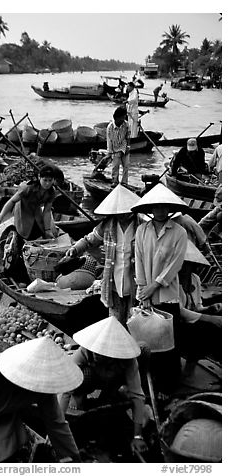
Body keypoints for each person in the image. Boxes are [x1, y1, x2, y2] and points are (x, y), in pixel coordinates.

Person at [59, 316, 148, 456]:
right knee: (84, 376)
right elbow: (65, 389)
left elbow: (138, 395)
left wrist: (138, 436)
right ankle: (80, 397)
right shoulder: (84, 352)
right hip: (92, 377)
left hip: (113, 377)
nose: (96, 354)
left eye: (101, 353)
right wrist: (58, 427)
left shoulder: (127, 360)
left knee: (145, 349)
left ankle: (111, 395)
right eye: (94, 351)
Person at [131, 183, 188, 395]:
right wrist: (143, 289)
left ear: (169, 208)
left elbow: (176, 264)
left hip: (167, 294)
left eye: (164, 207)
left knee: (169, 344)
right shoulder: (142, 230)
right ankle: (149, 386)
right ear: (150, 209)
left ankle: (170, 387)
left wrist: (154, 285)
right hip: (147, 295)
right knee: (148, 343)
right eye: (156, 207)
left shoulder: (179, 232)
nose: (160, 211)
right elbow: (138, 260)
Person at [65, 184, 142, 326]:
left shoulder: (142, 226)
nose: (123, 215)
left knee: (134, 321)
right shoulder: (108, 226)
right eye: (120, 212)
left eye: (126, 212)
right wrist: (75, 249)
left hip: (135, 281)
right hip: (113, 280)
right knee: (114, 322)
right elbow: (89, 240)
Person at [177, 240, 222, 374]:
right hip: (177, 325)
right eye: (182, 264)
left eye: (188, 264)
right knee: (206, 328)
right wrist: (209, 318)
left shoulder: (195, 278)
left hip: (193, 321)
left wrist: (211, 308)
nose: (185, 267)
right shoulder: (172, 281)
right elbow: (180, 311)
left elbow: (197, 307)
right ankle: (189, 369)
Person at [106, 106, 131, 186]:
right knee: (115, 166)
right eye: (122, 117)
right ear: (117, 117)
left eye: (124, 117)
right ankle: (115, 181)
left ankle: (124, 183)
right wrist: (109, 152)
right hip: (115, 148)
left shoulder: (126, 124)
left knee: (126, 165)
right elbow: (109, 140)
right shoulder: (110, 127)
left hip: (124, 146)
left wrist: (128, 147)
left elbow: (128, 136)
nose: (123, 119)